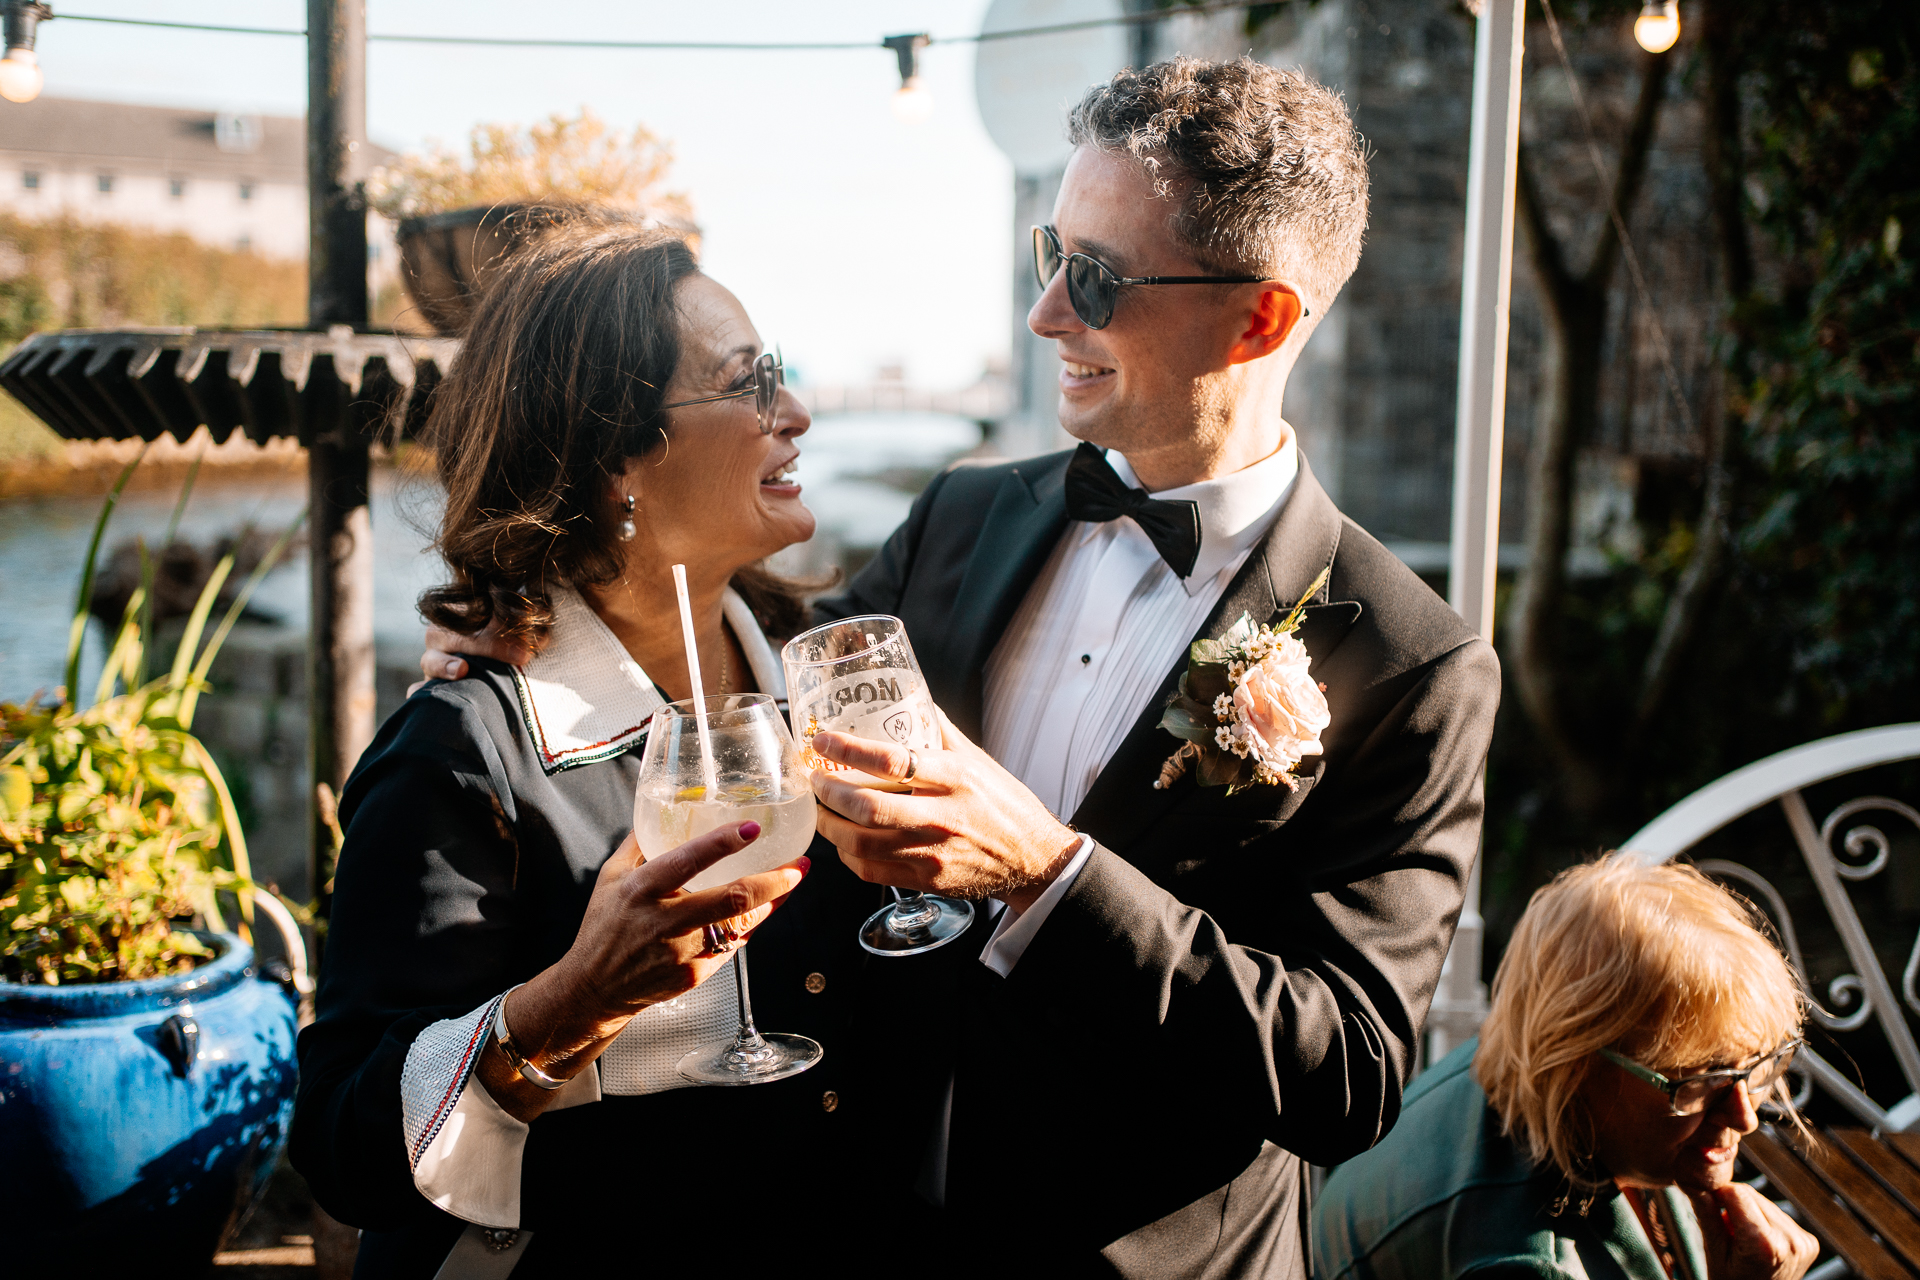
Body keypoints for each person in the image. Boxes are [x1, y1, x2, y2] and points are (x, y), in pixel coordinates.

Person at [425, 58, 1502, 1276]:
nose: (1047, 313)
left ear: (1259, 317)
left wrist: (1048, 871)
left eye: (1094, 279)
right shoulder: (962, 516)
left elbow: (1347, 1071)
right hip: (863, 1227)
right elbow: (766, 672)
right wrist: (540, 609)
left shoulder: (1413, 659)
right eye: (1053, 253)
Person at [291, 222, 885, 1276]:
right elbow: (342, 1148)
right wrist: (573, 999)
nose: (795, 413)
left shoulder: (822, 676)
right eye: (750, 384)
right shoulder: (462, 754)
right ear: (617, 456)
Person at [1312, 854, 1821, 1280]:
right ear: (1574, 1063)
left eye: (1756, 1067)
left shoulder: (1518, 1055)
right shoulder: (1529, 1262)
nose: (1744, 1116)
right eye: (1700, 1081)